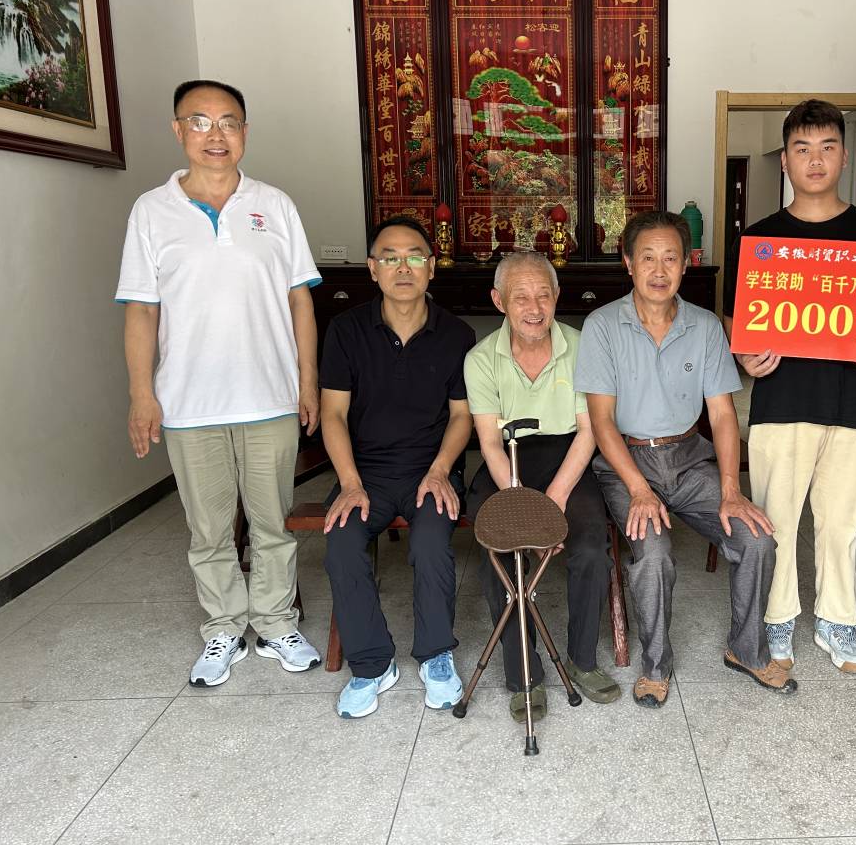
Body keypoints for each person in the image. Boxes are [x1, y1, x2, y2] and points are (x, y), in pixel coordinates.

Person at [117, 79, 323, 687]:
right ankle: (224, 628)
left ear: (245, 132)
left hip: (269, 396)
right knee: (207, 530)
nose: (216, 135)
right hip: (188, 401)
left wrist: (307, 380)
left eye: (228, 122)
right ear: (178, 130)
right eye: (200, 122)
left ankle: (277, 622)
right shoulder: (151, 211)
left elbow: (300, 301)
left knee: (272, 522)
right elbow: (141, 309)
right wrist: (141, 394)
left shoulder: (274, 205)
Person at [576, 210, 797, 707]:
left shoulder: (704, 326)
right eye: (648, 258)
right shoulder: (602, 326)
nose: (659, 270)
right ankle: (656, 666)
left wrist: (731, 489)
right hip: (627, 463)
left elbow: (722, 414)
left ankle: (746, 650)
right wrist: (638, 489)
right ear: (628, 263)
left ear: (685, 264)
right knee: (653, 555)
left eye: (670, 258)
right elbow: (602, 421)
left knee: (757, 539)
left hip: (689, 458)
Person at [724, 99, 856, 675]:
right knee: (775, 518)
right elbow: (736, 319)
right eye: (802, 149)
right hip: (781, 403)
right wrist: (746, 358)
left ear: (844, 156)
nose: (816, 160)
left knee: (842, 520)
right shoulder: (762, 240)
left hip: (851, 403)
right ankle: (777, 616)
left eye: (828, 147)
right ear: (785, 160)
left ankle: (838, 619)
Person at [319, 216, 475, 718]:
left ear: (432, 267)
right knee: (343, 541)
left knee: (431, 542)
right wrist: (349, 483)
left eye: (414, 257)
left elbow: (461, 415)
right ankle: (371, 665)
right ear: (372, 269)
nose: (402, 267)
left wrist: (441, 470)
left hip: (432, 468)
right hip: (364, 471)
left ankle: (435, 655)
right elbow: (333, 414)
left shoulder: (456, 334)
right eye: (390, 257)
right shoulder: (346, 330)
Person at [464, 253, 620, 722]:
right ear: (499, 301)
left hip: (568, 459)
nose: (534, 308)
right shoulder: (481, 359)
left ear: (557, 297)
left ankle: (582, 660)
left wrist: (552, 503)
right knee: (498, 554)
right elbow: (489, 442)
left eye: (543, 295)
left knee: (591, 548)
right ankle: (524, 674)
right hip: (507, 463)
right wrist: (523, 508)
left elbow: (589, 430)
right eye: (521, 297)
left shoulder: (583, 346)